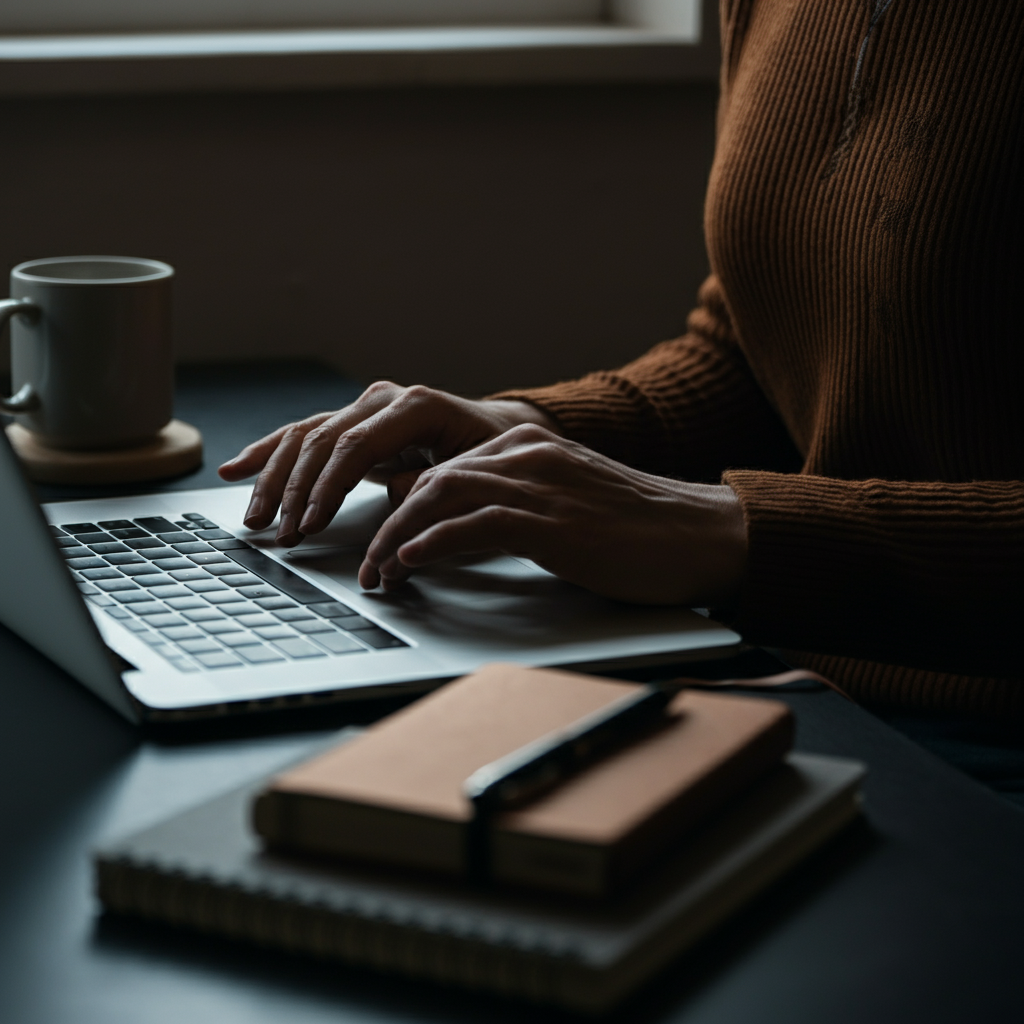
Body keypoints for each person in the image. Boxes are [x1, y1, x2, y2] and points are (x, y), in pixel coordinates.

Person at [220, 1, 1022, 722]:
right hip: (778, 663)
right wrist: (521, 428)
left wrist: (734, 534)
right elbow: (756, 353)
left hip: (972, 726)